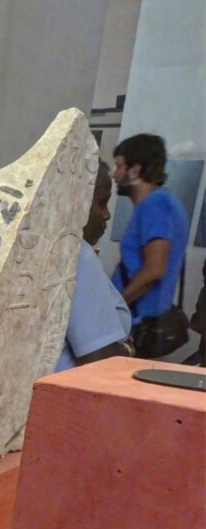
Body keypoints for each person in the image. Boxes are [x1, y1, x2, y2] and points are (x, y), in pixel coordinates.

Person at [55, 160, 133, 371]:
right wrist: (126, 350)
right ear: (77, 202)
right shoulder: (74, 253)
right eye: (101, 203)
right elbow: (99, 359)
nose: (107, 214)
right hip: (65, 385)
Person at [111, 134, 189, 327]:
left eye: (119, 166)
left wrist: (116, 306)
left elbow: (154, 269)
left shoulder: (154, 204)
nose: (114, 175)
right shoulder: (160, 202)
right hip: (140, 316)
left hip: (138, 320)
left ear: (135, 171)